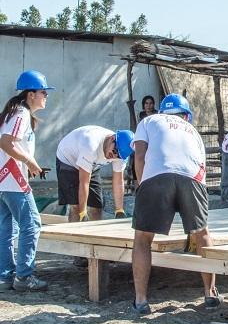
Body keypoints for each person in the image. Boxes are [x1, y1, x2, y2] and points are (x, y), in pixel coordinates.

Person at [132, 93, 222, 314]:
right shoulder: (193, 132)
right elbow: (202, 170)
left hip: (156, 175)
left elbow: (140, 156)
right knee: (202, 234)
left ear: (163, 111)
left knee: (143, 238)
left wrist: (143, 184)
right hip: (192, 178)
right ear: (187, 115)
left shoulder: (148, 121)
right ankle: (210, 293)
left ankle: (141, 300)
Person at [0, 70, 53, 292]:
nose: (46, 96)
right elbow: (6, 143)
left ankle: (4, 276)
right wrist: (30, 162)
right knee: (31, 225)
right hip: (13, 181)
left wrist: (29, 163)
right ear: (31, 94)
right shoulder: (21, 114)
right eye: (43, 92)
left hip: (5, 180)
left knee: (7, 228)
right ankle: (24, 276)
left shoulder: (16, 113)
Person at [56, 126, 134, 223]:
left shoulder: (120, 155)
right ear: (112, 138)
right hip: (68, 159)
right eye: (114, 151)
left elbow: (118, 181)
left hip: (92, 164)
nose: (113, 156)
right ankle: (75, 234)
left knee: (97, 206)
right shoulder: (91, 145)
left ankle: (94, 235)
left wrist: (119, 210)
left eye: (118, 156)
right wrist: (82, 212)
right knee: (76, 206)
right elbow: (84, 182)